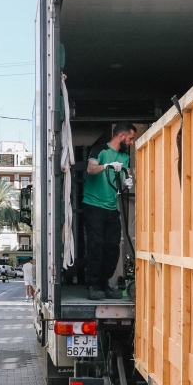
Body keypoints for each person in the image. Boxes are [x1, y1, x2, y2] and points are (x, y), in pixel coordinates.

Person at [81, 123, 136, 301]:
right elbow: (91, 168)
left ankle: (104, 284)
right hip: (94, 205)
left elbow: (125, 174)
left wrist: (128, 179)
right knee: (96, 244)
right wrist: (107, 166)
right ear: (121, 136)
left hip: (112, 207)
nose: (132, 142)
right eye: (130, 138)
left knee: (112, 247)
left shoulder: (124, 156)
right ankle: (93, 285)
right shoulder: (100, 150)